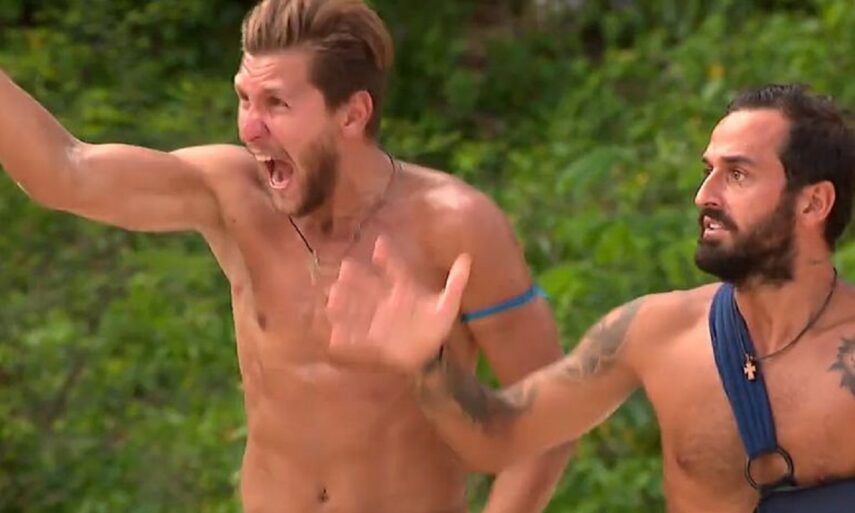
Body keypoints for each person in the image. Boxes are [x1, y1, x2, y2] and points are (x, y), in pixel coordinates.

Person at [0, 1, 574, 512]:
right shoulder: (233, 196)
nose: (250, 128)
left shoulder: (454, 225)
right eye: (243, 99)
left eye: (276, 103)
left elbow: (550, 415)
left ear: (352, 114)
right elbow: (65, 172)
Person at [325, 84, 855, 512]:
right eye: (707, 171)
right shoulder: (655, 331)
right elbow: (501, 438)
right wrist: (428, 364)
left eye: (736, 174)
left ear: (814, 203)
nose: (704, 196)